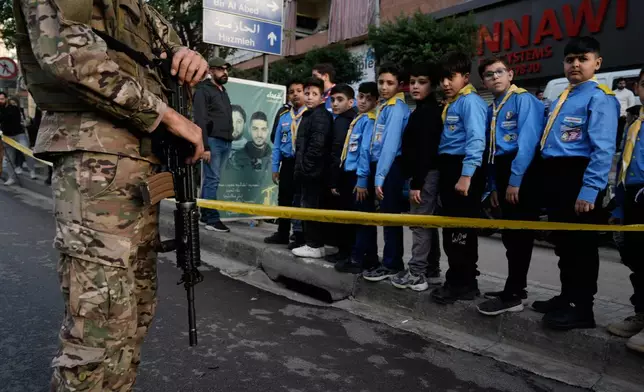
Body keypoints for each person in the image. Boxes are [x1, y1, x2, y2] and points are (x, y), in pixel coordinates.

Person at [13, 0, 207, 390]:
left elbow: (165, 50)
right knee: (98, 328)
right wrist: (167, 117)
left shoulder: (142, 9)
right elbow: (65, 52)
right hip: (96, 158)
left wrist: (186, 56)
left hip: (141, 162)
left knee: (133, 314)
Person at [532, 36, 619, 330]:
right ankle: (566, 296)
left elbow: (603, 148)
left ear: (597, 63)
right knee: (564, 245)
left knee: (581, 246)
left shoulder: (600, 97)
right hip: (557, 176)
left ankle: (582, 309)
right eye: (570, 60)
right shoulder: (563, 97)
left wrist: (590, 189)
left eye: (583, 59)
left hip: (579, 177)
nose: (575, 64)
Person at [475, 56, 545, 316]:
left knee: (519, 235)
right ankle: (514, 286)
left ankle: (513, 295)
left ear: (511, 74)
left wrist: (515, 181)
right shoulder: (494, 106)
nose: (495, 77)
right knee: (509, 235)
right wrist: (493, 185)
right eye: (489, 74)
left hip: (522, 171)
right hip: (502, 171)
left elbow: (527, 143)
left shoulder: (523, 100)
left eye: (499, 72)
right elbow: (492, 151)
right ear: (483, 81)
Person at [430, 52, 488, 305]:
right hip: (450, 167)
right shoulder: (453, 102)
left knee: (460, 233)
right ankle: (458, 280)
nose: (445, 83)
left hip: (462, 169)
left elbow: (476, 140)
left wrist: (466, 176)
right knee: (453, 231)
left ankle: (462, 283)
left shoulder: (470, 102)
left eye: (451, 78)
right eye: (442, 78)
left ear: (465, 77)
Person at [390, 63, 444, 292]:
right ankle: (430, 269)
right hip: (424, 174)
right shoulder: (422, 109)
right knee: (427, 223)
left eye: (421, 82)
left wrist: (417, 183)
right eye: (412, 82)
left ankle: (417, 273)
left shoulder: (428, 112)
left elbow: (426, 151)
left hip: (425, 176)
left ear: (432, 85)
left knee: (419, 224)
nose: (415, 86)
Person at [361, 63, 410, 282]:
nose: (383, 87)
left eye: (390, 83)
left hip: (390, 168)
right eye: (381, 82)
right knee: (384, 217)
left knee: (390, 218)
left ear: (400, 85)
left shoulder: (397, 108)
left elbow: (390, 146)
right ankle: (388, 261)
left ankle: (392, 264)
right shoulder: (385, 106)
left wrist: (379, 177)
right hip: (380, 167)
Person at [608, 68, 644, 353]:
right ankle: (642, 313)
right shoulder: (634, 122)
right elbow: (623, 164)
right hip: (632, 197)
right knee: (636, 259)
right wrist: (619, 204)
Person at [335, 82, 380, 274]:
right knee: (356, 218)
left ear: (376, 101)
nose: (363, 101)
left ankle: (360, 258)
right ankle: (364, 256)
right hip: (350, 174)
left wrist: (362, 180)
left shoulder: (369, 120)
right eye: (361, 96)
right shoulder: (359, 118)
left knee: (362, 219)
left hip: (360, 177)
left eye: (369, 98)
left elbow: (364, 152)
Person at [293, 77, 334, 258]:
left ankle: (314, 245)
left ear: (322, 97)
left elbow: (316, 147)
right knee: (307, 206)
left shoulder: (320, 116)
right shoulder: (310, 114)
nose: (309, 97)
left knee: (311, 208)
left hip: (314, 174)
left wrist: (305, 169)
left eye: (314, 94)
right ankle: (313, 243)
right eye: (307, 93)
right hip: (309, 172)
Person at [194, 57, 234, 233]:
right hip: (212, 142)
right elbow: (200, 119)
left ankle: (204, 215)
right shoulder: (203, 90)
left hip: (225, 141)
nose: (224, 72)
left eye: (226, 69)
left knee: (212, 179)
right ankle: (212, 218)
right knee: (212, 179)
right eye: (220, 69)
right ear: (210, 71)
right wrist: (205, 146)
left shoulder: (223, 91)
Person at [265, 80, 306, 246]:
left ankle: (299, 235)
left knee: (300, 200)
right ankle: (282, 233)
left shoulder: (309, 115)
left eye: (299, 90)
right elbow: (276, 145)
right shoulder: (283, 116)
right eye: (291, 91)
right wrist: (275, 168)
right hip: (288, 163)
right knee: (284, 199)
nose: (295, 94)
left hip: (302, 163)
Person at [326, 83, 358, 263]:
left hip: (344, 176)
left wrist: (333, 181)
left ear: (350, 101)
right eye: (332, 100)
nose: (335, 104)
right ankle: (346, 251)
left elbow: (337, 152)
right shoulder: (352, 118)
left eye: (340, 100)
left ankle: (345, 253)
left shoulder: (343, 121)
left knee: (344, 215)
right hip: (350, 175)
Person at [0, 92, 36, 184]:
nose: (0, 101)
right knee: (9, 159)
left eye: (2, 99)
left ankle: (32, 170)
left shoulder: (13, 108)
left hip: (19, 134)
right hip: (7, 136)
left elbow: (10, 119)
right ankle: (12, 177)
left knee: (27, 152)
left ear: (6, 98)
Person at [614, 77, 637, 151]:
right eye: (620, 83)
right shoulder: (614, 92)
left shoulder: (629, 93)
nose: (622, 85)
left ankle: (618, 147)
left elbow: (631, 105)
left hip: (623, 116)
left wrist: (627, 115)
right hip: (614, 116)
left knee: (621, 133)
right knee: (614, 132)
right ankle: (614, 146)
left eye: (623, 83)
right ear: (617, 84)